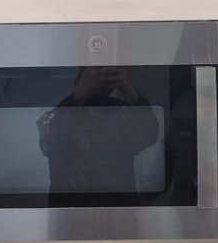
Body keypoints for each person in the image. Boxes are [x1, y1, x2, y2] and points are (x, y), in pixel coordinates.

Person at [37, 66, 160, 205]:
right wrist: (77, 95)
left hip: (118, 208)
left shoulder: (122, 113)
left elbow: (149, 136)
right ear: (77, 82)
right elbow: (48, 138)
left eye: (106, 78)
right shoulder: (63, 111)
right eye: (92, 78)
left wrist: (130, 92)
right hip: (67, 208)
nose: (99, 82)